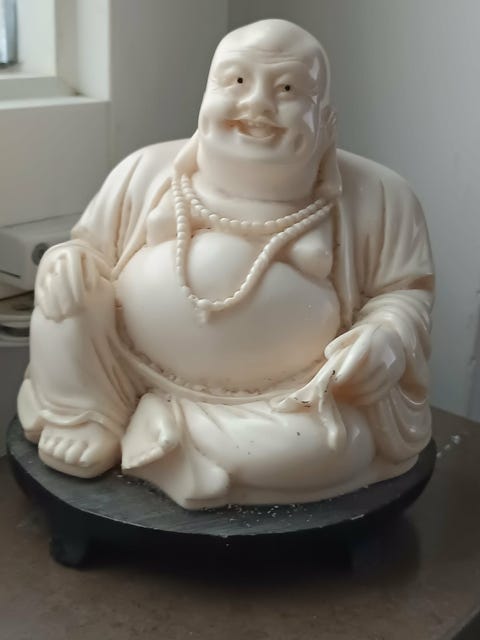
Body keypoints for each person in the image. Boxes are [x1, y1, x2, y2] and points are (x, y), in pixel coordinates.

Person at [18, 19, 434, 509]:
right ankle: (85, 413)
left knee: (343, 442)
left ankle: (171, 436)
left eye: (287, 89)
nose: (257, 104)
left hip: (286, 400)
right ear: (205, 97)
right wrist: (67, 263)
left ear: (325, 119)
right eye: (236, 81)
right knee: (65, 292)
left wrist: (386, 338)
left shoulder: (381, 195)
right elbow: (88, 249)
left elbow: (405, 295)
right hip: (123, 369)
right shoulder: (143, 170)